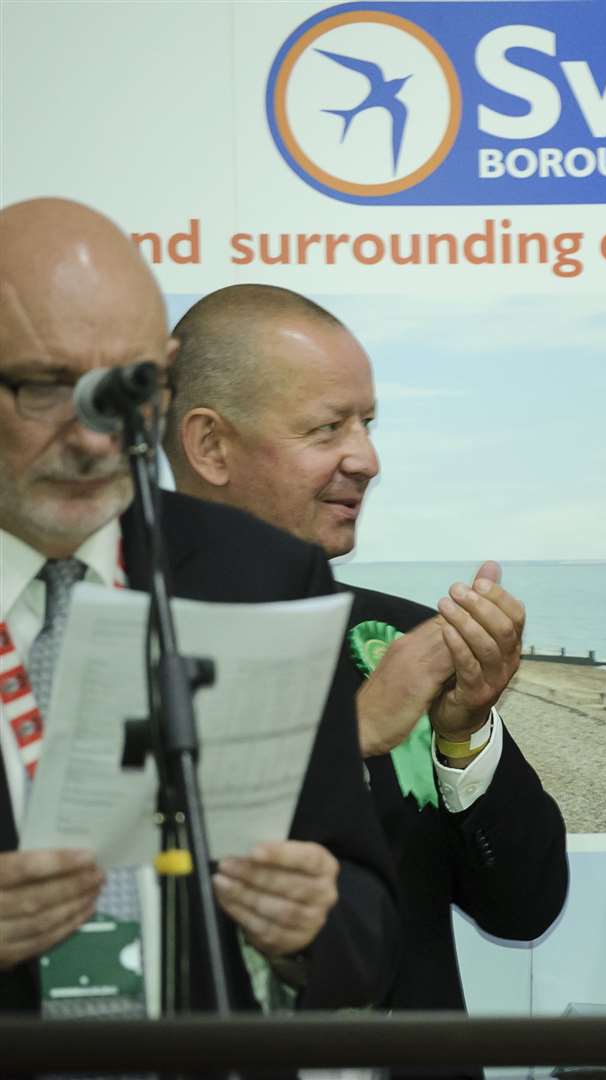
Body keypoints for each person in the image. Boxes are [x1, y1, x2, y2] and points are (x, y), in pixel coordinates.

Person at [0, 198, 397, 1015]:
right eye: (45, 390)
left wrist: (309, 924)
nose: (94, 438)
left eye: (128, 389)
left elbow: (366, 924)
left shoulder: (264, 578)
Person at [162, 285, 568, 1037]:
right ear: (210, 445)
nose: (368, 459)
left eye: (368, 424)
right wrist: (347, 735)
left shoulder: (402, 637)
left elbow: (526, 906)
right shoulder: (111, 651)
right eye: (326, 429)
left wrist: (463, 736)